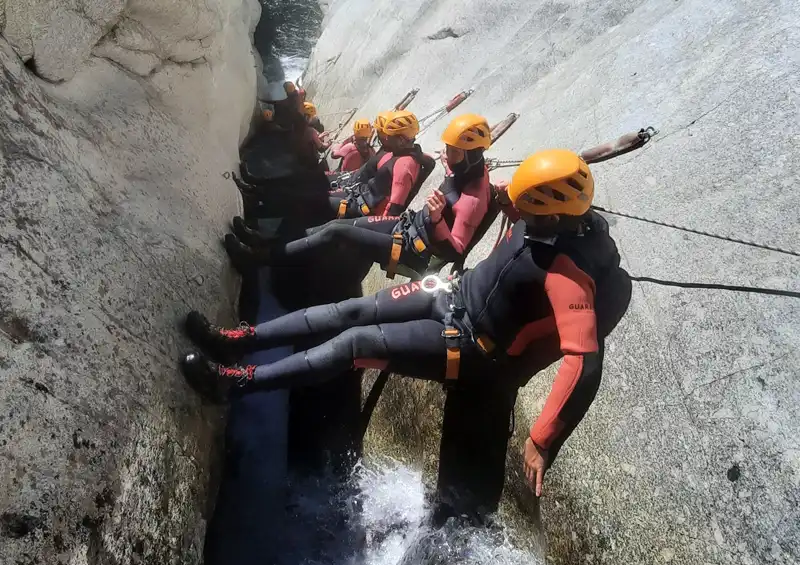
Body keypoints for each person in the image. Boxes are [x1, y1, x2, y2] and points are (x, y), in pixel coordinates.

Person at [181, 149, 631, 496]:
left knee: (353, 343)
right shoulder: (552, 217)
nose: (520, 209)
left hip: (470, 345)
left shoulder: (569, 273)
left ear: (553, 213)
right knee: (350, 311)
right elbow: (501, 196)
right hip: (450, 294)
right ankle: (239, 339)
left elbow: (583, 360)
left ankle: (234, 382)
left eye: (529, 207)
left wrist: (543, 437)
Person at [224, 114, 495, 278]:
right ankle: (263, 237)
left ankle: (258, 257)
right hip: (405, 227)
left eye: (454, 152)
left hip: (411, 249)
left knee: (333, 230)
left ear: (472, 154)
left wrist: (436, 220)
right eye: (447, 149)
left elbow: (454, 249)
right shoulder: (466, 170)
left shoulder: (470, 198)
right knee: (330, 223)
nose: (447, 155)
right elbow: (434, 164)